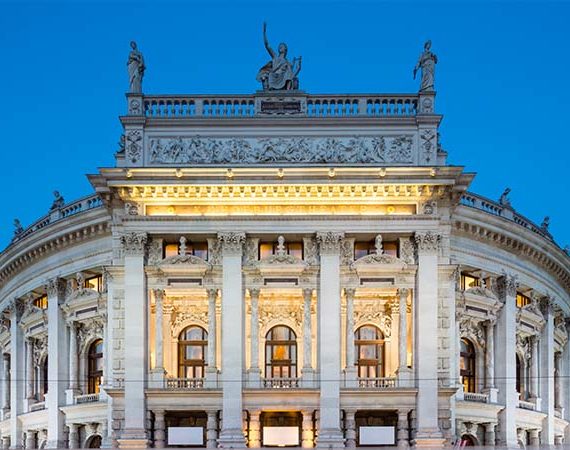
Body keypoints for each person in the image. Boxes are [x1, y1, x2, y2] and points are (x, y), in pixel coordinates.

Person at [256, 22, 301, 90]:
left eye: (282, 46)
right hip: (275, 75)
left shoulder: (287, 62)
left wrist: (298, 64)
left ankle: (288, 91)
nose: (280, 47)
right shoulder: (275, 57)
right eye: (279, 46)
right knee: (271, 75)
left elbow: (294, 72)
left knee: (288, 73)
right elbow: (267, 45)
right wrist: (264, 32)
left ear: (285, 49)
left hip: (284, 77)